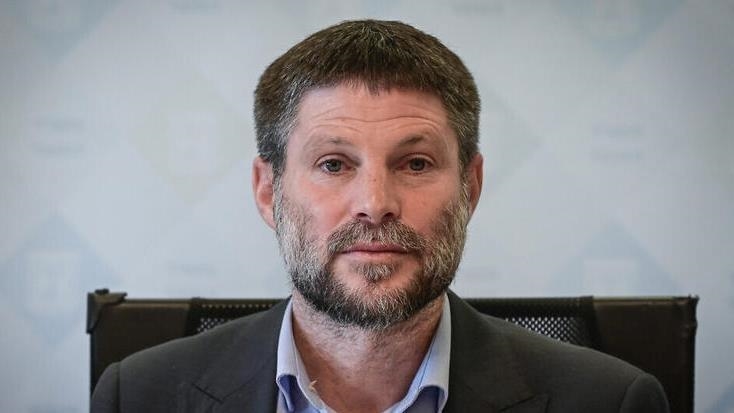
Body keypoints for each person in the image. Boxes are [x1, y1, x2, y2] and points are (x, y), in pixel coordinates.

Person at [91, 19, 670, 413]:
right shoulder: (138, 396)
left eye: (415, 163)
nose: (375, 202)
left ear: (470, 188)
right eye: (333, 164)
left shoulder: (611, 402)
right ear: (268, 192)